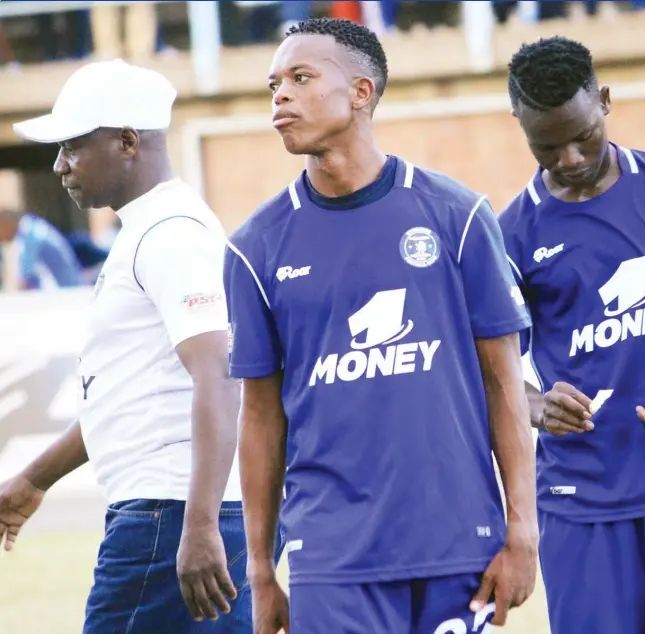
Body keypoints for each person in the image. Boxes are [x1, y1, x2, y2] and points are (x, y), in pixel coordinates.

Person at [224, 17, 538, 634]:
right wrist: (260, 570)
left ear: (362, 92)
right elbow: (259, 416)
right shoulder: (254, 249)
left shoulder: (458, 216)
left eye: (301, 77)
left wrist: (522, 529)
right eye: (273, 84)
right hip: (331, 557)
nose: (279, 95)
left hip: (458, 545)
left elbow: (504, 383)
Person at [0, 59, 282, 633]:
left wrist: (198, 525)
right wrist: (34, 479)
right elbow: (131, 396)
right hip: (174, 511)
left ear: (127, 141)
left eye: (72, 146)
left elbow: (221, 375)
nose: (58, 165)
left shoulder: (170, 234)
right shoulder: (149, 230)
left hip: (169, 514)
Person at [499, 35, 645, 634]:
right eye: (547, 146)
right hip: (579, 508)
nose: (568, 158)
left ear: (605, 101)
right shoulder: (510, 236)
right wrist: (536, 405)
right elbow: (483, 373)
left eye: (582, 137)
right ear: (520, 126)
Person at [0, 208, 84, 290]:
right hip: (70, 286)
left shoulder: (31, 234)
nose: (1, 238)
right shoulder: (33, 226)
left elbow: (27, 276)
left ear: (5, 223)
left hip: (69, 290)